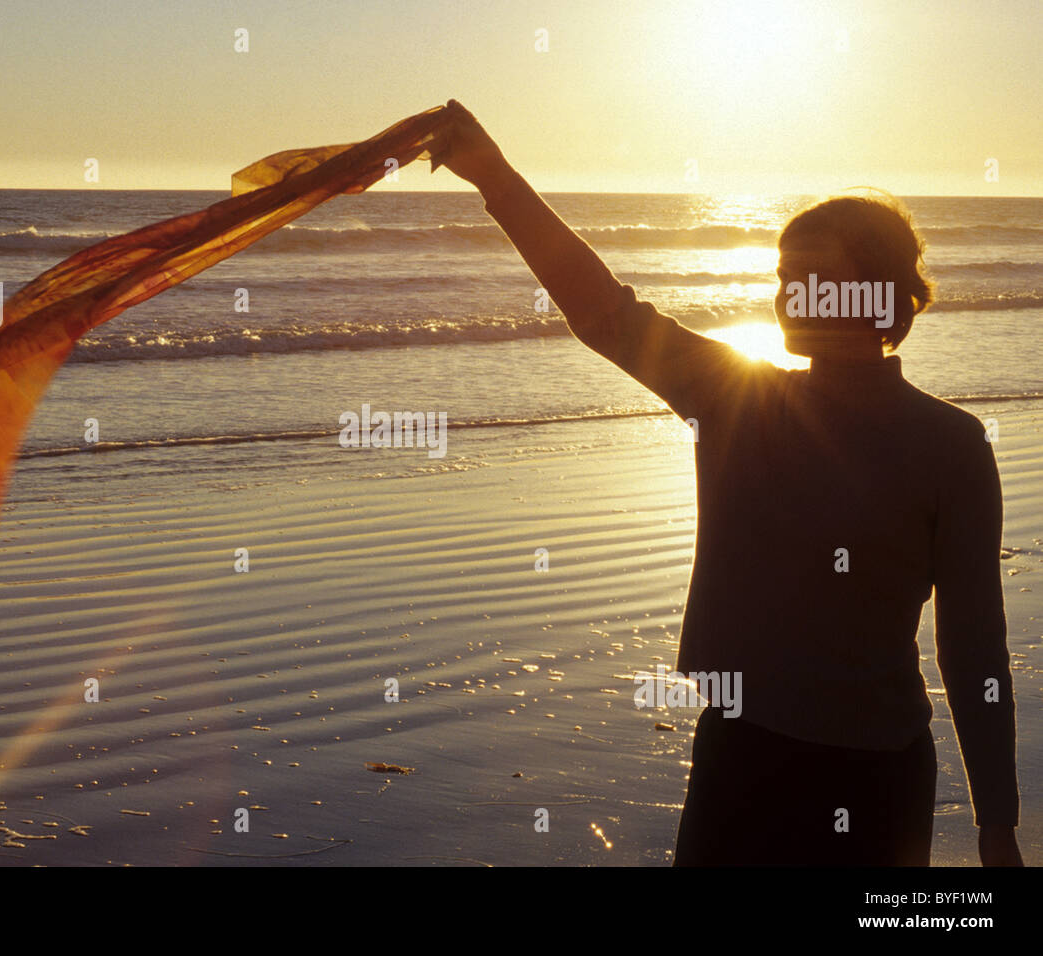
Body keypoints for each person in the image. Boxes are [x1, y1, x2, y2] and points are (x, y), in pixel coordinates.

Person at [436, 99, 1022, 866]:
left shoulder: (952, 444)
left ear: (880, 294)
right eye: (784, 276)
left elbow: (974, 645)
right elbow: (603, 311)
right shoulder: (737, 396)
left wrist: (997, 823)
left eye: (816, 277)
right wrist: (493, 177)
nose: (788, 296)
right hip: (741, 755)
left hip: (878, 774)